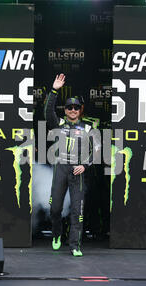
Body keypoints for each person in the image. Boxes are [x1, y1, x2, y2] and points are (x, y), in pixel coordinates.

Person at [43, 74, 100, 257]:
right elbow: (47, 112)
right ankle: (57, 235)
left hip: (78, 172)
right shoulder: (58, 123)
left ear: (80, 110)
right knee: (55, 209)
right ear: (65, 109)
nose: (73, 110)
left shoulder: (89, 128)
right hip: (60, 169)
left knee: (78, 211)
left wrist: (85, 165)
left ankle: (75, 245)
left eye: (76, 107)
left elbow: (97, 150)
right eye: (69, 107)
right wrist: (54, 91)